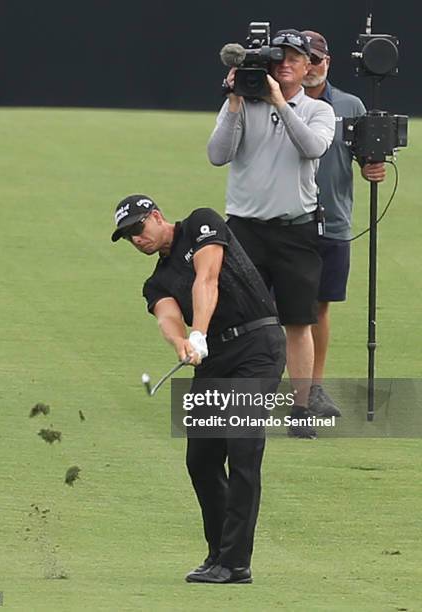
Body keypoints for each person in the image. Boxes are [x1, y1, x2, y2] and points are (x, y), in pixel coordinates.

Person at [111, 194, 286, 584]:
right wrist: (182, 344)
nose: (136, 239)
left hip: (257, 346)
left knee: (242, 448)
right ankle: (218, 554)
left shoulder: (201, 224)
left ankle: (236, 563)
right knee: (202, 459)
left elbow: (208, 278)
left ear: (157, 216)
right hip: (214, 358)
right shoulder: (155, 282)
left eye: (138, 228)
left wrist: (199, 331)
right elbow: (167, 316)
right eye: (128, 237)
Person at [207, 29, 336, 439]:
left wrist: (280, 101)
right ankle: (241, 406)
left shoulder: (319, 111)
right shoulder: (243, 103)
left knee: (299, 320)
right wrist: (233, 101)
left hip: (295, 230)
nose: (285, 65)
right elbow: (217, 155)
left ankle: (300, 409)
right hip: (245, 228)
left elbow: (312, 147)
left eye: (294, 59)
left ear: (307, 67)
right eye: (278, 58)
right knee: (242, 320)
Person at [301, 30, 386, 416]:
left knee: (319, 307)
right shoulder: (281, 101)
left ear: (327, 62)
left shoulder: (351, 106)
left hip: (333, 221)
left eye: (316, 60)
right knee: (273, 307)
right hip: (284, 222)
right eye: (304, 59)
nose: (311, 67)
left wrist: (374, 166)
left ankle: (314, 387)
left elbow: (366, 157)